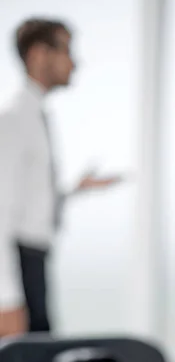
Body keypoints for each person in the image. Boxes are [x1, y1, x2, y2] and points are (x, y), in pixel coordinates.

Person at [0, 18, 122, 337]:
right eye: (66, 50)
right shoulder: (13, 121)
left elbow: (28, 197)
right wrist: (7, 299)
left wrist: (73, 192)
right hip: (19, 263)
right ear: (39, 54)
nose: (75, 62)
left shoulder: (33, 116)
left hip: (32, 260)